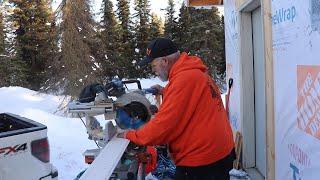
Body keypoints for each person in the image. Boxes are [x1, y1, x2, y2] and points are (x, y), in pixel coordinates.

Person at [117, 38, 235, 180]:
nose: (153, 70)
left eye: (153, 65)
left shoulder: (183, 80)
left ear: (165, 61)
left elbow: (162, 128)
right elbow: (189, 97)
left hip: (202, 161)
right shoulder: (193, 72)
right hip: (218, 152)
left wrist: (129, 135)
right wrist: (165, 91)